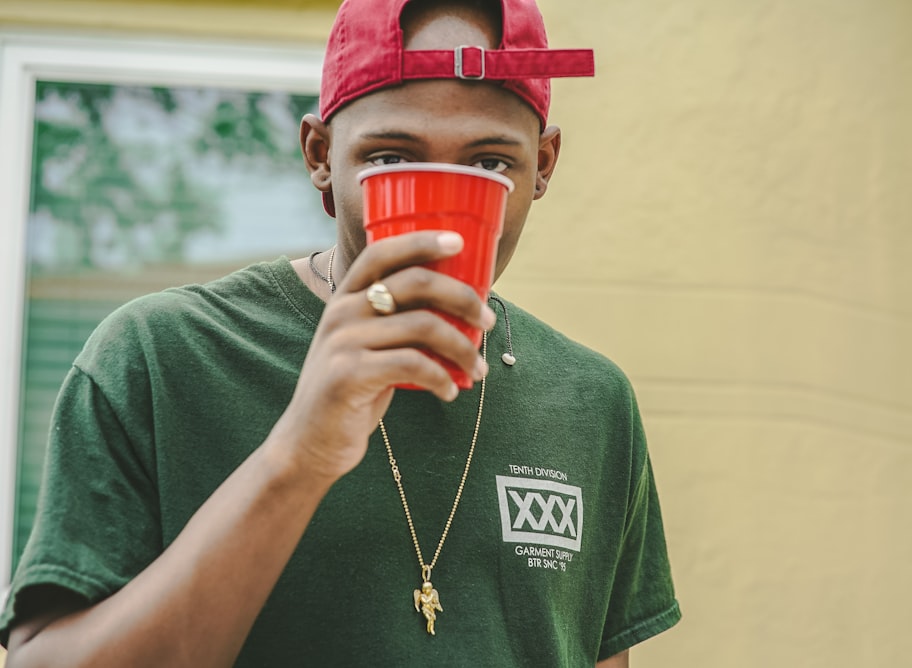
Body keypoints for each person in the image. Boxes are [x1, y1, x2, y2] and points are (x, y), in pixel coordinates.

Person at [0, 0, 681, 665]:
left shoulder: (593, 403)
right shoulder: (160, 357)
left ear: (544, 166)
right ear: (321, 155)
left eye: (488, 164)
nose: (441, 208)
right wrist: (300, 453)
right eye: (390, 158)